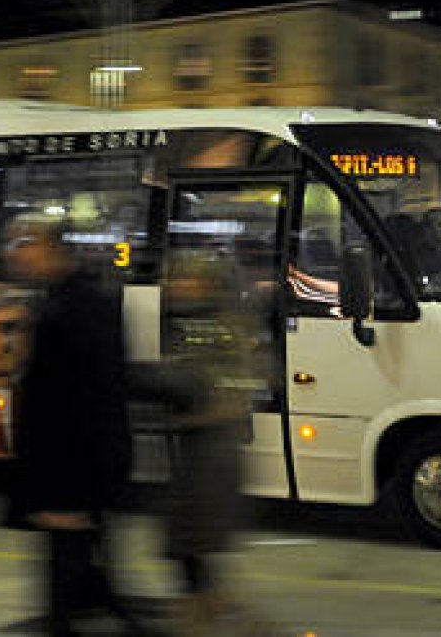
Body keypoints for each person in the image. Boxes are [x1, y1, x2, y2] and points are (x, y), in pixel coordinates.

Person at [0, 216, 140, 637]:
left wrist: (63, 489)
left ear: (50, 247)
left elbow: (77, 398)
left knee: (65, 575)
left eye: (25, 243)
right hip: (76, 469)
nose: (16, 253)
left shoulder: (70, 308)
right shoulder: (67, 300)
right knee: (85, 567)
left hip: (69, 470)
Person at [141, 249, 276, 636]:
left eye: (184, 277)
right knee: (191, 553)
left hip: (211, 454)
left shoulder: (222, 327)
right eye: (173, 277)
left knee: (189, 548)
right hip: (195, 453)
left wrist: (187, 402)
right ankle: (215, 615)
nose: (172, 285)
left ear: (208, 283)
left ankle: (210, 620)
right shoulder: (191, 323)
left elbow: (240, 388)